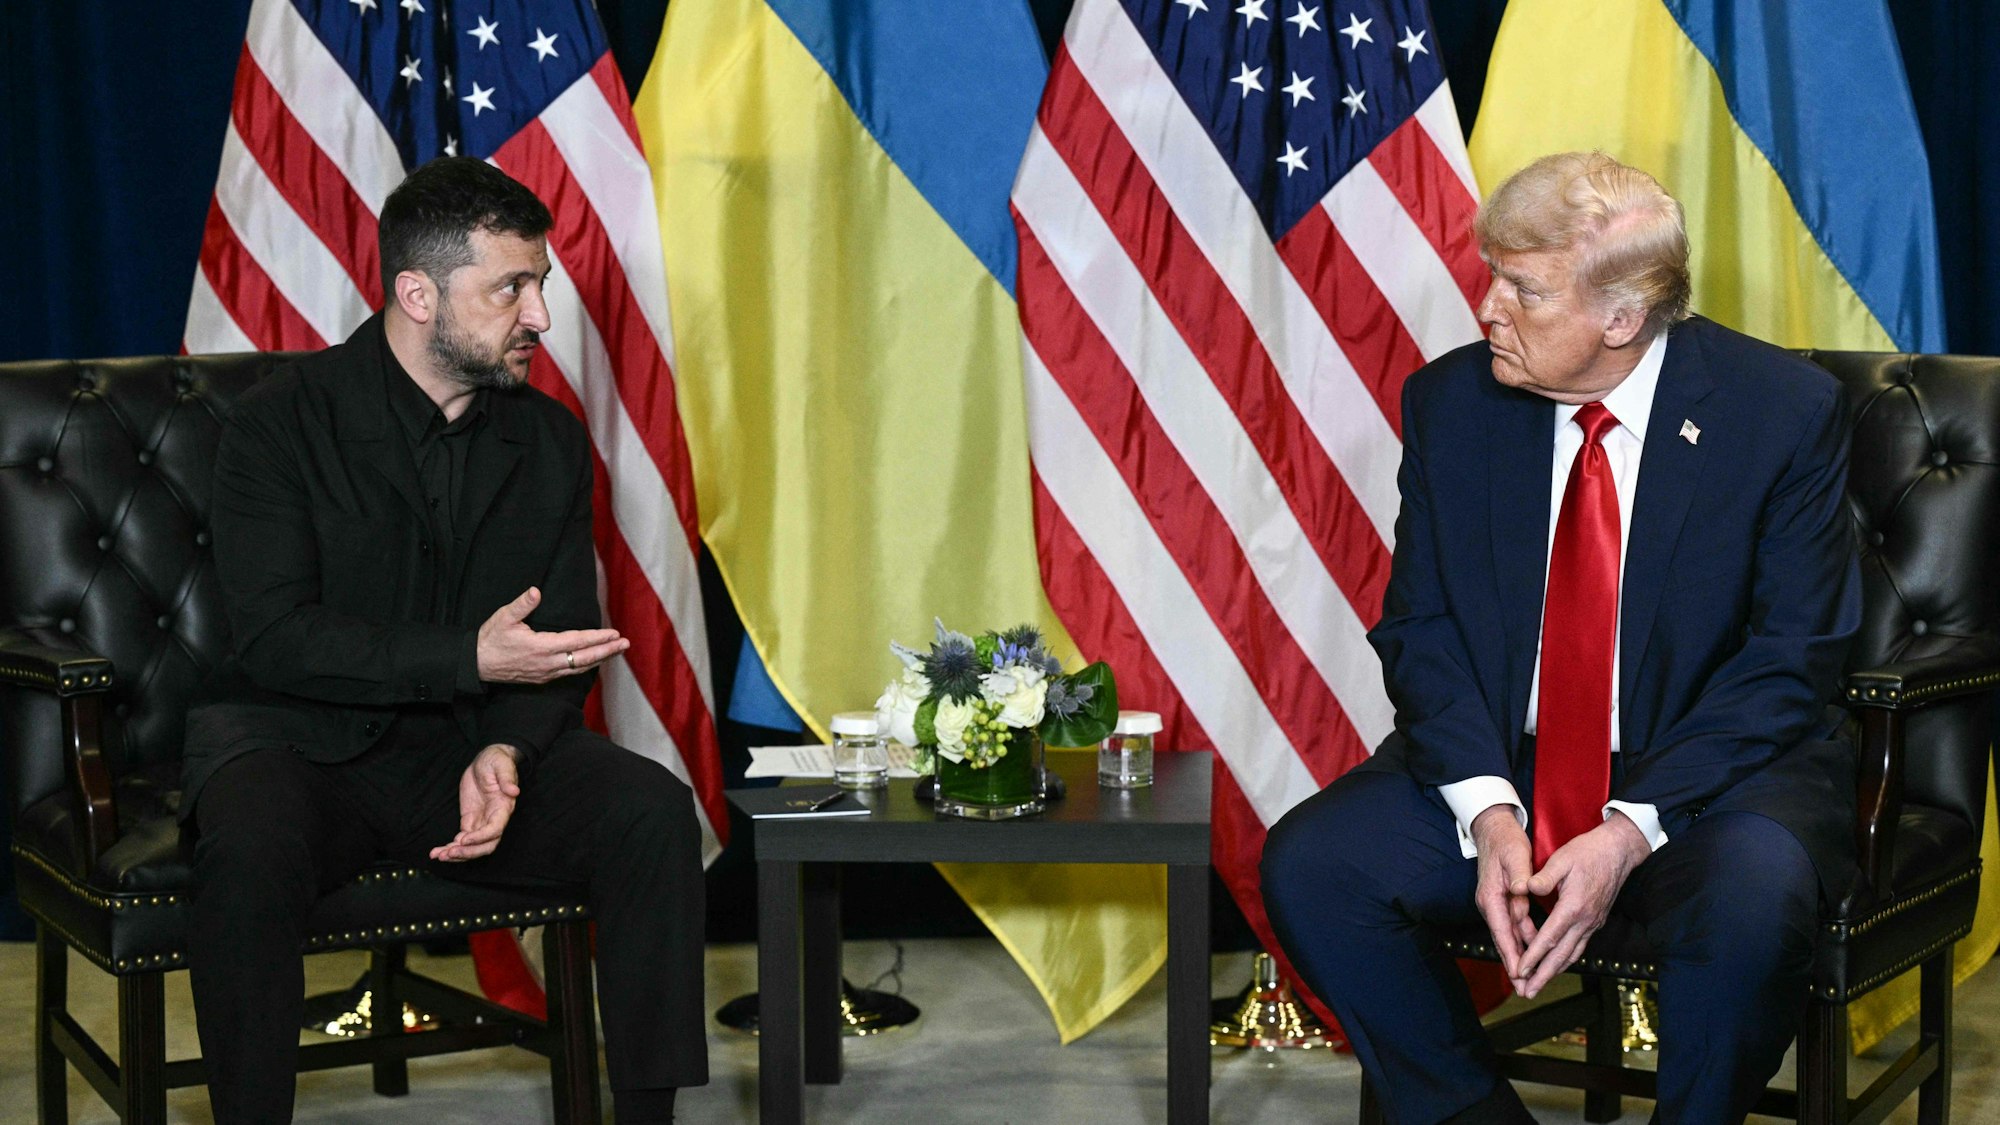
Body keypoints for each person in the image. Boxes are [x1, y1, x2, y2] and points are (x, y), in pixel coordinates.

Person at [1261, 152, 1861, 1124]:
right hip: (1508, 760)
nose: (1488, 308)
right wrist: (1490, 813)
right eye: (1492, 274)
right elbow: (1420, 625)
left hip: (1712, 777)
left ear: (1621, 317)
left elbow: (1793, 656)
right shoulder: (1452, 402)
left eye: (1523, 289)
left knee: (1750, 906)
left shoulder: (1777, 414)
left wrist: (1627, 829)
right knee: (1318, 867)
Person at [182, 157, 706, 1124]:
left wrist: (505, 745)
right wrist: (468, 659)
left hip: (465, 750)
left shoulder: (546, 440)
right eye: (512, 286)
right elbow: (275, 639)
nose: (541, 315)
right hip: (295, 743)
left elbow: (553, 650)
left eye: (540, 282)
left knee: (652, 811)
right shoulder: (275, 426)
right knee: (249, 852)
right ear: (417, 294)